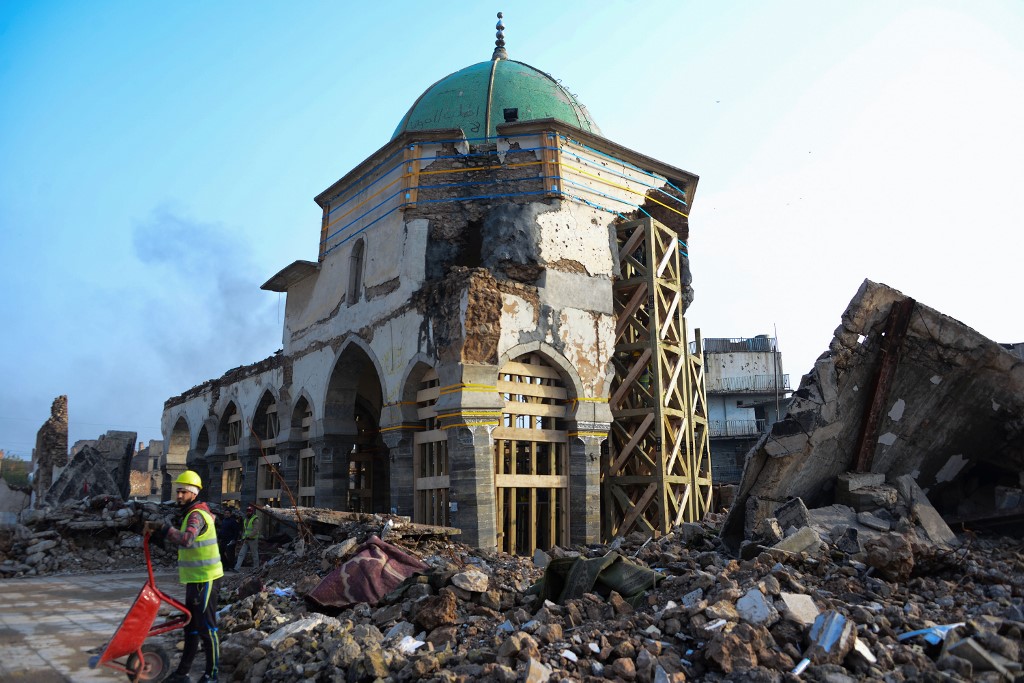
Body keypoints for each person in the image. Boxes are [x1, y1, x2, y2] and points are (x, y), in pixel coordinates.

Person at [145, 470, 222, 683]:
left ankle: (212, 675)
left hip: (206, 579)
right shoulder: (192, 512)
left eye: (183, 492)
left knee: (207, 627)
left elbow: (187, 539)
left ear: (193, 493)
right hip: (195, 579)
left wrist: (165, 530)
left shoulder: (197, 515)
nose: (179, 496)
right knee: (191, 625)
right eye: (178, 491)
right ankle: (183, 673)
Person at [235, 503, 261, 571]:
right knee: (241, 554)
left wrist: (248, 536)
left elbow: (255, 530)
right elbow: (245, 530)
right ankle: (237, 568)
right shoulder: (246, 519)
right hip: (246, 539)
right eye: (247, 511)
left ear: (252, 512)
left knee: (254, 554)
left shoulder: (255, 520)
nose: (248, 512)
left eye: (249, 511)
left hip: (253, 539)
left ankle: (256, 568)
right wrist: (243, 538)